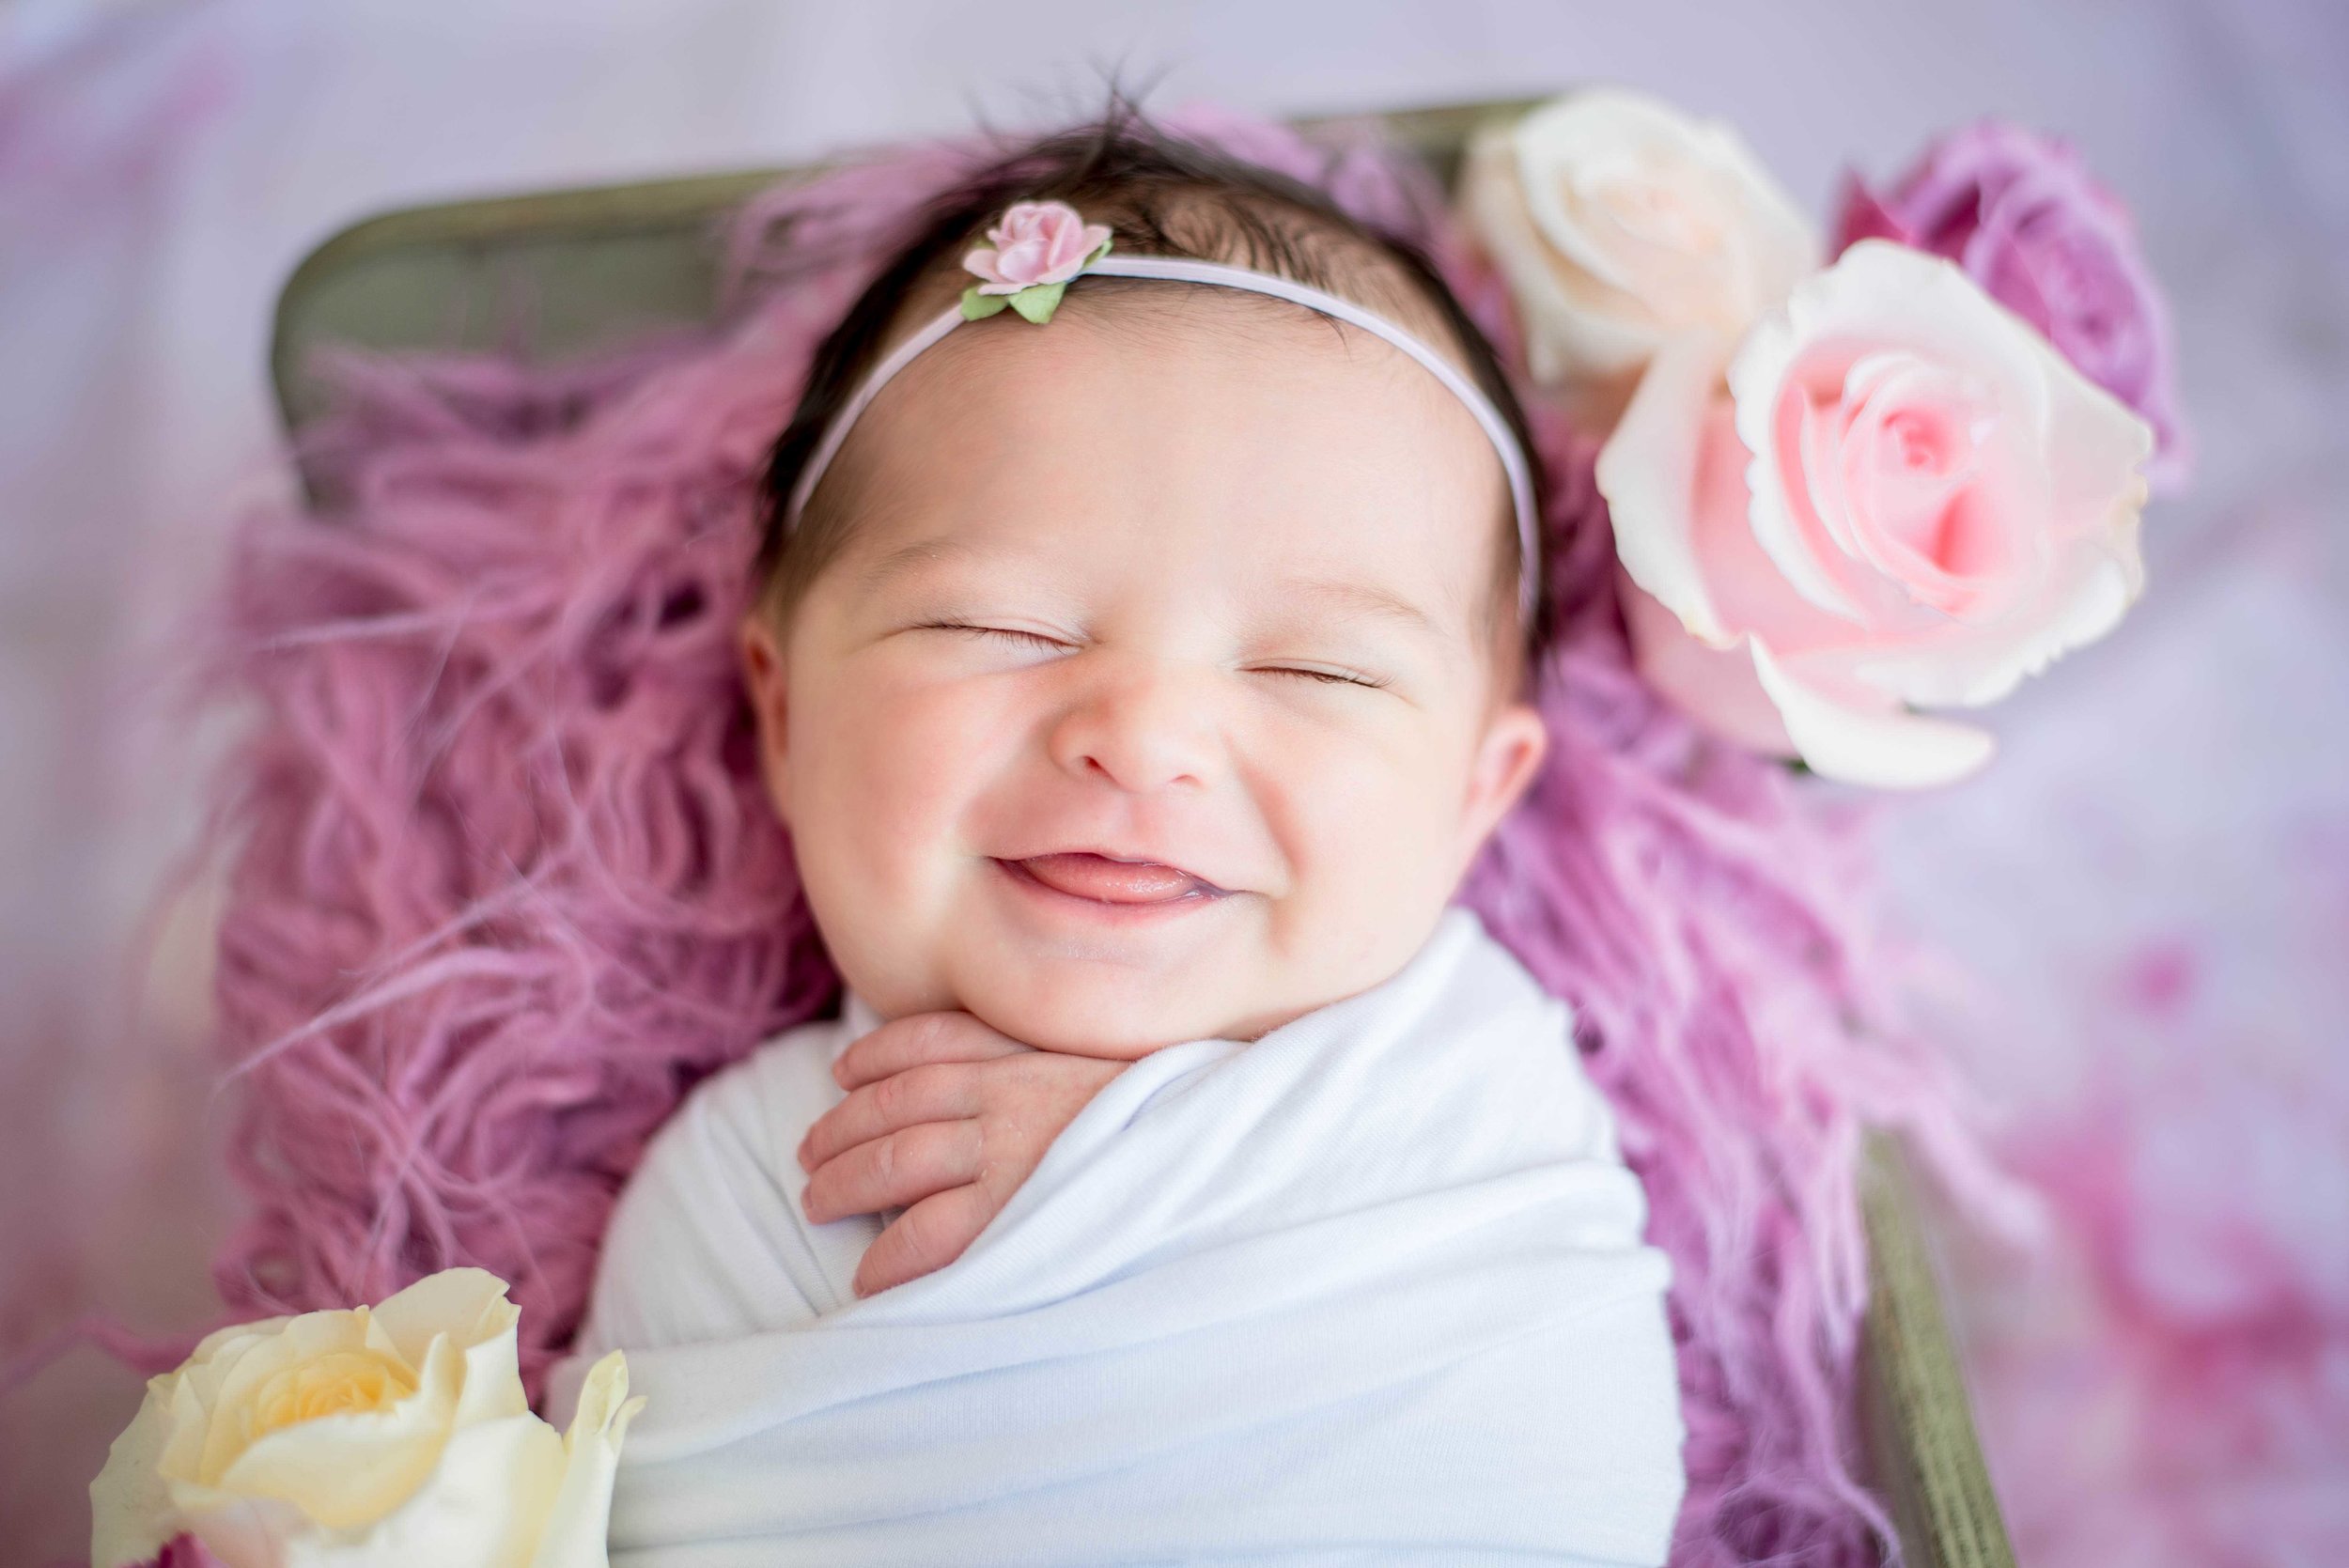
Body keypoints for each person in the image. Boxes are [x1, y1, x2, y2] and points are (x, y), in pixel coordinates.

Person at [549, 107, 1688, 1565]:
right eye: (995, 627)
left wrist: (1130, 1162)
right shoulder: (750, 1183)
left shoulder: (1475, 1070)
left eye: (1315, 670)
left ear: (1478, 790)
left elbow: (1561, 1429)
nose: (1143, 735)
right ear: (780, 712)